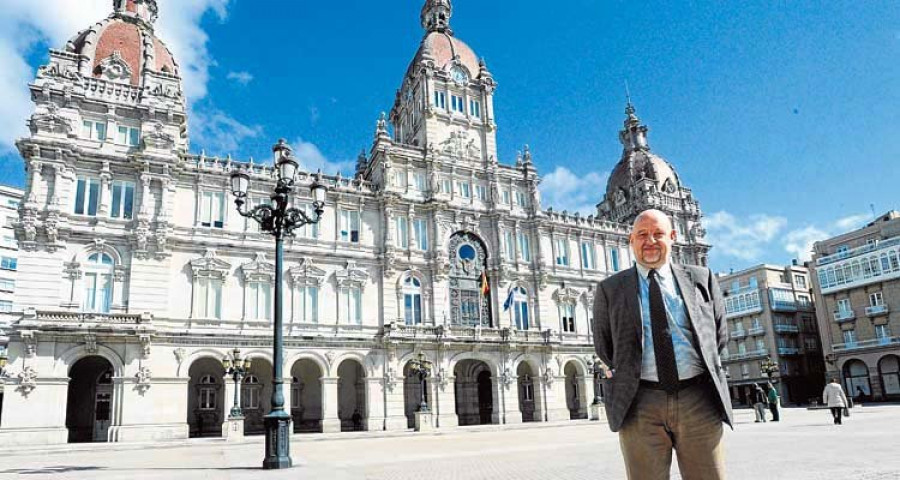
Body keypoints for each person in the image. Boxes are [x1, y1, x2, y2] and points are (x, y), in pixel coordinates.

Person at [593, 209, 732, 480]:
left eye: (658, 234)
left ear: (673, 236)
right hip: (639, 403)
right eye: (642, 235)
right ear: (631, 240)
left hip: (698, 399)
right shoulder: (610, 289)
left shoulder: (702, 278)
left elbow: (718, 335)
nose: (650, 241)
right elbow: (604, 345)